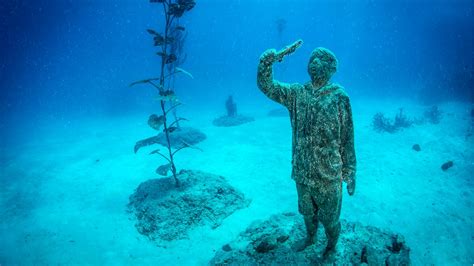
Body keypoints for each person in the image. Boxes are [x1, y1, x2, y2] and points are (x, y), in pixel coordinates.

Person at [257, 40, 357, 257]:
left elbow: (347, 136)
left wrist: (350, 171)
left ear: (331, 68)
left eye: (321, 59)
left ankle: (331, 245)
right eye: (312, 58)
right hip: (302, 170)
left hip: (329, 173)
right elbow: (268, 86)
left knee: (330, 217)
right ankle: (311, 237)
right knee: (307, 212)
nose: (314, 62)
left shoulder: (339, 97)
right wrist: (266, 62)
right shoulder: (296, 93)